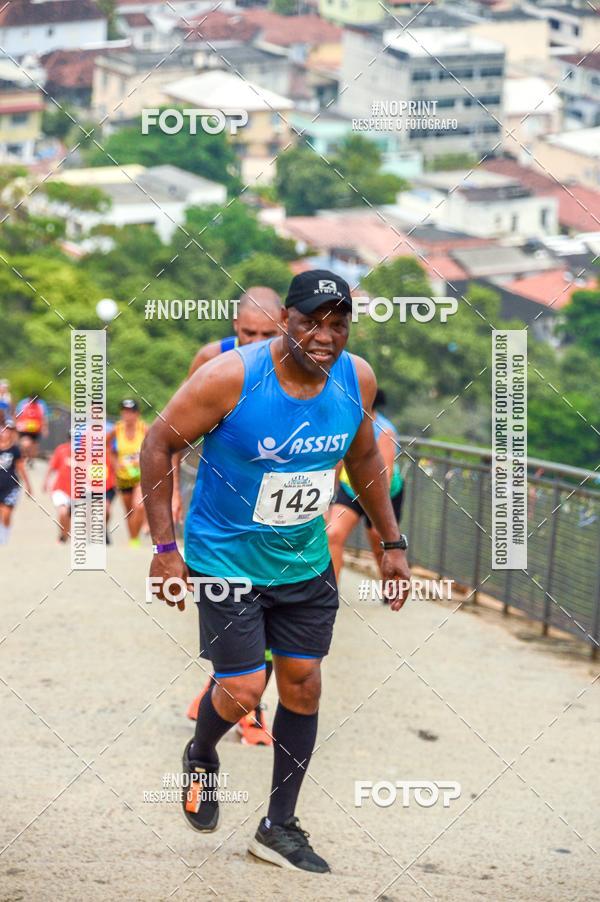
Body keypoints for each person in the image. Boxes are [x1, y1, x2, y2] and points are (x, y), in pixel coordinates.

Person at [141, 269, 410, 873]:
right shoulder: (230, 377)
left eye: (338, 324)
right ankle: (202, 753)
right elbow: (158, 444)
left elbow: (364, 457)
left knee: (303, 684)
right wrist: (164, 547)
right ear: (286, 320)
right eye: (311, 322)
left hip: (303, 561)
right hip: (226, 558)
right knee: (242, 689)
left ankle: (278, 827)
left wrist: (391, 542)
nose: (325, 336)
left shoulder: (357, 378)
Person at [180, 286, 283, 747]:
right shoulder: (211, 359)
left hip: (278, 517)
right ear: (234, 326)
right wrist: (174, 496)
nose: (257, 343)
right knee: (235, 615)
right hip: (222, 516)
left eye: (267, 334)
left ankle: (243, 702)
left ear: (284, 325)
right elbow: (176, 433)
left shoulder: (302, 364)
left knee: (275, 619)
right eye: (248, 334)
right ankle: (234, 696)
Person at [328, 388, 405, 582]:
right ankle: (331, 591)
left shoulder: (385, 430)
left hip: (381, 493)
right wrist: (329, 497)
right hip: (350, 490)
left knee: (381, 547)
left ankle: (391, 589)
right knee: (333, 534)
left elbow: (385, 473)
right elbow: (338, 461)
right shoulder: (346, 423)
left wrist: (377, 513)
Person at [108, 400, 147, 547]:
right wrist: (115, 463)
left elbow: (156, 445)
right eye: (125, 412)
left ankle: (135, 539)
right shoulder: (117, 429)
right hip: (123, 477)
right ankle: (133, 539)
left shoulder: (144, 429)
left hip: (140, 476)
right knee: (129, 511)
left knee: (139, 506)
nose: (128, 415)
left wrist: (144, 459)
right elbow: (106, 445)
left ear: (137, 414)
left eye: (131, 412)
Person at [0, 418, 32, 545]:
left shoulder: (15, 450)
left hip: (11, 486)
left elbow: (21, 468)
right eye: (4, 430)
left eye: (9, 431)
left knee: (6, 514)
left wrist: (28, 486)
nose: (6, 433)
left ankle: (4, 538)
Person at [44, 436, 72, 543]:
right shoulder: (61, 450)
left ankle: (66, 533)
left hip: (78, 491)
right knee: (63, 512)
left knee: (69, 515)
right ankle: (63, 535)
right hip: (61, 488)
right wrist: (46, 481)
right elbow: (52, 466)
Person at [15, 394, 48, 462]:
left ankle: (31, 459)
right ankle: (24, 457)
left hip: (36, 430)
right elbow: (17, 414)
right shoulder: (23, 404)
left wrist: (45, 428)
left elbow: (44, 417)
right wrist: (18, 424)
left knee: (33, 446)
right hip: (25, 429)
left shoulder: (41, 405)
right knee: (25, 444)